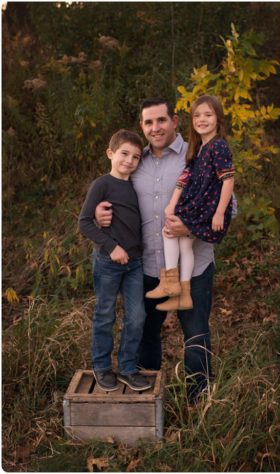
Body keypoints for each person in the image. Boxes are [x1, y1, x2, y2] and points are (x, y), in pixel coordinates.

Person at [95, 98, 220, 402]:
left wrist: (190, 227)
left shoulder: (198, 155)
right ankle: (147, 403)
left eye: (161, 120)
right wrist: (100, 213)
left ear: (174, 121)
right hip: (146, 268)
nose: (155, 128)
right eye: (148, 122)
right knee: (144, 335)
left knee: (196, 336)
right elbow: (114, 195)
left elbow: (230, 207)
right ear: (142, 126)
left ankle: (198, 404)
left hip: (193, 270)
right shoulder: (135, 160)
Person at [78, 129, 153, 392]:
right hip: (108, 262)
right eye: (124, 153)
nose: (129, 160)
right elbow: (85, 222)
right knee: (105, 314)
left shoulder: (136, 186)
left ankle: (128, 368)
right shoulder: (102, 184)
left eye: (135, 157)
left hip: (135, 263)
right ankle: (101, 366)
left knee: (137, 316)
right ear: (110, 153)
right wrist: (111, 247)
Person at [144, 95, 235, 312]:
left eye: (208, 115)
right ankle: (183, 294)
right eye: (197, 116)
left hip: (204, 207)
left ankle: (170, 282)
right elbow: (185, 177)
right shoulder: (199, 148)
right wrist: (172, 203)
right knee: (184, 245)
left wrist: (219, 212)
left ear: (218, 119)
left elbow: (228, 179)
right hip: (194, 205)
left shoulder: (218, 146)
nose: (202, 119)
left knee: (168, 232)